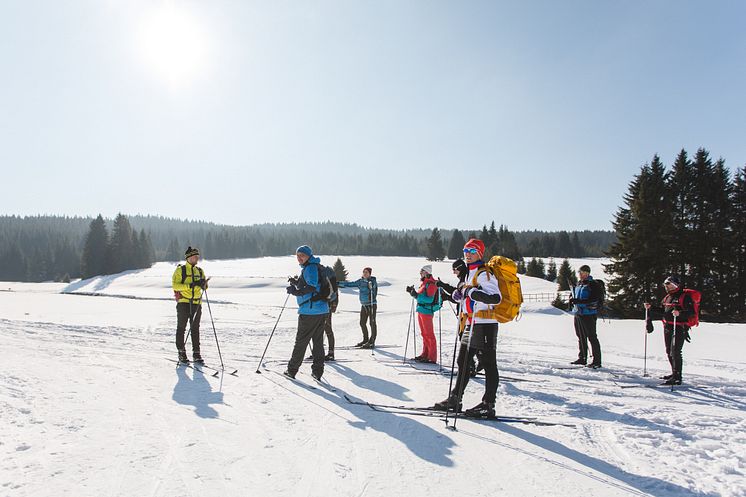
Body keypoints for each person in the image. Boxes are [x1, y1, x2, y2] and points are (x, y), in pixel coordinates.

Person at [434, 239, 502, 419]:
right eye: (465, 250)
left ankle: (488, 404)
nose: (468, 253)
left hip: (486, 323)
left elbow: (495, 297)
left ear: (480, 252)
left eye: (472, 250)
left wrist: (469, 292)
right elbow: (466, 296)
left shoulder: (484, 273)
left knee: (488, 364)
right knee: (463, 361)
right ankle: (455, 398)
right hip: (471, 323)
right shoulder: (468, 273)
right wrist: (458, 296)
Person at [284, 245, 330, 381]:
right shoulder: (314, 267)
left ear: (309, 255)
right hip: (321, 310)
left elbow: (311, 287)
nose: (299, 258)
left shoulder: (310, 268)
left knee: (301, 342)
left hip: (310, 311)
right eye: (297, 255)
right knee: (317, 342)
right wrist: (297, 282)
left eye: (302, 255)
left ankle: (291, 370)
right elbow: (312, 285)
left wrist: (295, 291)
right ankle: (317, 372)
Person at [644, 275, 695, 386]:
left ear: (676, 285)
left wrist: (679, 313)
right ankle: (674, 373)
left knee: (676, 351)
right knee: (669, 351)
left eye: (670, 285)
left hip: (679, 327)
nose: (668, 288)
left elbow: (691, 312)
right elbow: (663, 311)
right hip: (667, 327)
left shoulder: (684, 297)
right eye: (666, 286)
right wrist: (651, 307)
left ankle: (677, 377)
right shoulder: (668, 297)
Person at [437, 259, 481, 377]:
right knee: (466, 339)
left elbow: (460, 298)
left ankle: (470, 367)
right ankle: (473, 365)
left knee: (464, 340)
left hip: (466, 315)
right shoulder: (463, 279)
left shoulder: (465, 279)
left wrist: (447, 297)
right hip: (464, 314)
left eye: (455, 270)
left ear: (460, 268)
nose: (454, 272)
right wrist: (443, 286)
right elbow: (456, 292)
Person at [172, 246, 209, 364]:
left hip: (196, 303)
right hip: (183, 302)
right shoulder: (180, 270)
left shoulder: (200, 271)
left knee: (195, 329)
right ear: (188, 258)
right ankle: (181, 352)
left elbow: (205, 287)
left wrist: (204, 284)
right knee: (181, 328)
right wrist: (190, 285)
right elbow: (175, 286)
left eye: (197, 257)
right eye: (194, 257)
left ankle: (196, 353)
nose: (196, 259)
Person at [569, 264, 603, 369]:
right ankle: (582, 358)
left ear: (587, 273)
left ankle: (597, 361)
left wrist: (578, 302)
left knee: (592, 337)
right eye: (579, 272)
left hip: (589, 314)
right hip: (578, 313)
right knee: (581, 336)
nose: (580, 274)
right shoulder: (579, 284)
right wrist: (572, 299)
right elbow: (576, 295)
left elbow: (593, 299)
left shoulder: (593, 284)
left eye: (581, 272)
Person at [338, 267, 378, 348]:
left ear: (370, 273)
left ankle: (372, 341)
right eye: (364, 272)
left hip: (371, 304)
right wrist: (339, 283)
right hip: (364, 305)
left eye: (366, 272)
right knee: (362, 323)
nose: (364, 273)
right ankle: (365, 339)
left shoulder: (372, 281)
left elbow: (374, 290)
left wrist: (370, 284)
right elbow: (351, 284)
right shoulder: (360, 281)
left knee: (372, 323)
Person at [406, 265, 439, 363]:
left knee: (429, 334)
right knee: (424, 334)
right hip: (421, 310)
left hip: (427, 311)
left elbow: (430, 299)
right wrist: (412, 293)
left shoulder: (431, 284)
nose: (420, 273)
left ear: (427, 272)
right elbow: (421, 297)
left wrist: (417, 295)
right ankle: (425, 354)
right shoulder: (424, 283)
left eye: (422, 271)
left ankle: (432, 357)